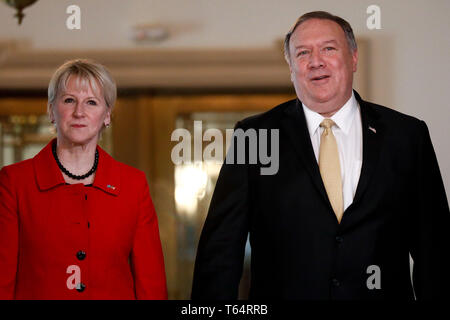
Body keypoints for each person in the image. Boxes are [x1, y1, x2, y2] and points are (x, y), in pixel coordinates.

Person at [192, 11, 450, 300]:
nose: (316, 61)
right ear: (291, 68)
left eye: (328, 48)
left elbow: (435, 250)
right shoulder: (253, 136)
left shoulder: (406, 136)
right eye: (303, 53)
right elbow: (220, 252)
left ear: (353, 58)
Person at [0, 59, 167, 299]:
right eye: (69, 100)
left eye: (91, 102)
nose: (79, 112)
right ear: (51, 111)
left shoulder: (133, 185)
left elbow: (151, 284)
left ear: (106, 115)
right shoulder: (14, 182)